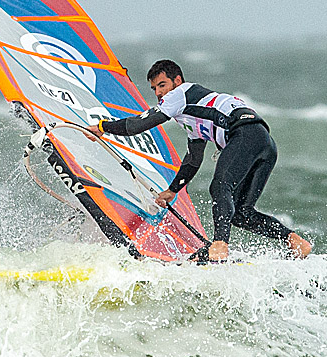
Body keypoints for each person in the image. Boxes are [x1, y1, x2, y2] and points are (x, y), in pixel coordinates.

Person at [88, 59, 312, 262]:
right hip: (265, 144)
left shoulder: (180, 94)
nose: (158, 93)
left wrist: (103, 127)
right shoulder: (193, 110)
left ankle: (220, 245)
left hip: (244, 134)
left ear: (177, 81)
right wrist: (172, 190)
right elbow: (193, 159)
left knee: (220, 187)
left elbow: (139, 125)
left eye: (162, 85)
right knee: (242, 213)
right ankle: (294, 240)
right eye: (154, 88)